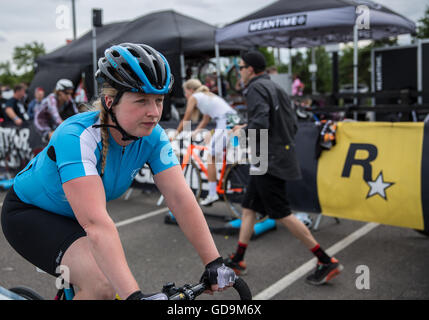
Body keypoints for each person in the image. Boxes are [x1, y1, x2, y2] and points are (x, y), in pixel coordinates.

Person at [1, 43, 236, 300]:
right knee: (102, 287)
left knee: (108, 277)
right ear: (110, 101)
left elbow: (180, 198)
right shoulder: (76, 137)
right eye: (141, 101)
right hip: (31, 214)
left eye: (158, 100)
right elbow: (97, 224)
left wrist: (214, 262)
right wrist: (133, 296)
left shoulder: (153, 136)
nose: (154, 112)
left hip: (74, 218)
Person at [224, 51, 343, 286]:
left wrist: (242, 131)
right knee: (249, 207)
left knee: (282, 213)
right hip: (271, 155)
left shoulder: (256, 88)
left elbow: (261, 123)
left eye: (241, 67)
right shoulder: (273, 86)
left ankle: (326, 260)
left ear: (251, 69)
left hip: (269, 158)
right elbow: (289, 123)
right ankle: (238, 259)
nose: (239, 71)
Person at [173, 78, 240, 206]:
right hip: (233, 122)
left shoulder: (195, 97)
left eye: (186, 93)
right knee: (222, 156)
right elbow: (205, 120)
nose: (186, 96)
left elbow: (186, 119)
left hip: (225, 124)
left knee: (211, 157)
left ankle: (212, 194)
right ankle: (223, 183)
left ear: (191, 91)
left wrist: (176, 134)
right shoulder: (207, 96)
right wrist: (196, 132)